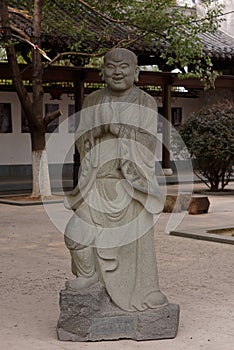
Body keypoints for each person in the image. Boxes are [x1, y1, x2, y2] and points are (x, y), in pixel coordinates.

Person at [64, 48, 168, 312]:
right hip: (97, 183)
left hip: (130, 187)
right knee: (76, 233)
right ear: (102, 72)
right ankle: (88, 276)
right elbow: (81, 141)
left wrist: (118, 129)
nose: (117, 72)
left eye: (124, 67)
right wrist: (95, 132)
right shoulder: (93, 100)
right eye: (111, 67)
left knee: (136, 243)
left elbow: (148, 143)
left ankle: (145, 290)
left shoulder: (145, 102)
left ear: (136, 72)